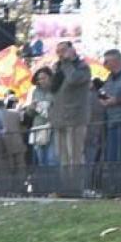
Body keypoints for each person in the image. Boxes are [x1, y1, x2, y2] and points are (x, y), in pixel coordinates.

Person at [49, 41, 94, 169]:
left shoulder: (83, 67)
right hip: (59, 119)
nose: (60, 54)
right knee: (63, 158)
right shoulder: (59, 68)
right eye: (58, 52)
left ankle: (76, 187)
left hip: (75, 118)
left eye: (63, 50)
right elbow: (53, 89)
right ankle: (66, 186)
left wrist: (67, 63)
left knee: (75, 156)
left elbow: (73, 79)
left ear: (72, 49)